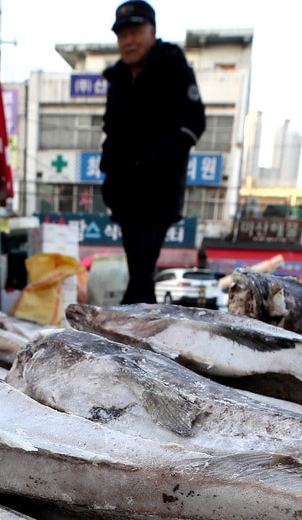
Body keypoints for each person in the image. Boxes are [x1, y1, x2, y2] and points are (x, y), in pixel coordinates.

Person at [100, 1, 205, 304]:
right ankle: (136, 319)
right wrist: (108, 174)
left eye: (135, 32)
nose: (128, 41)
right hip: (125, 192)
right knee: (137, 263)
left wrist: (158, 159)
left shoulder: (172, 64)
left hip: (158, 189)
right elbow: (112, 133)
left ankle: (132, 323)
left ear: (152, 31)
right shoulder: (118, 78)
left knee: (143, 265)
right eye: (122, 35)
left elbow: (194, 121)